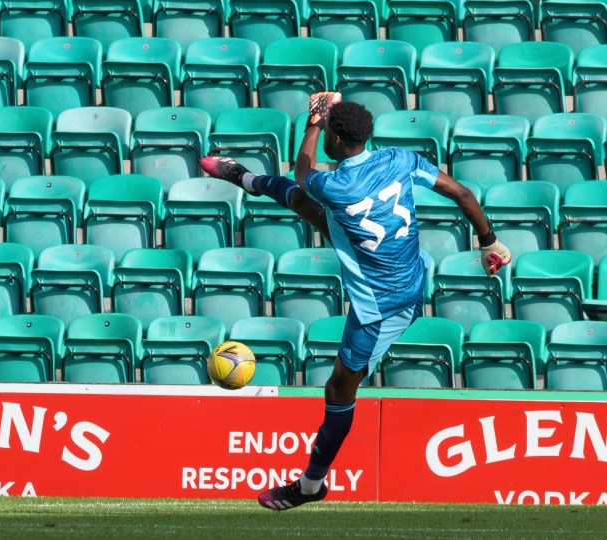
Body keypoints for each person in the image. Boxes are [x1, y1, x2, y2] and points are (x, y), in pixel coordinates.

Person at [201, 93, 511, 511]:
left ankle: (310, 486)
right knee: (304, 204)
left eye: (328, 132)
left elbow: (303, 168)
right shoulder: (399, 159)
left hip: (382, 307)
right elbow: (462, 192)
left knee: (338, 389)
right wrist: (490, 241)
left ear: (337, 139)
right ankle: (241, 176)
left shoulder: (335, 183)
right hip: (408, 269)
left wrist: (313, 120)